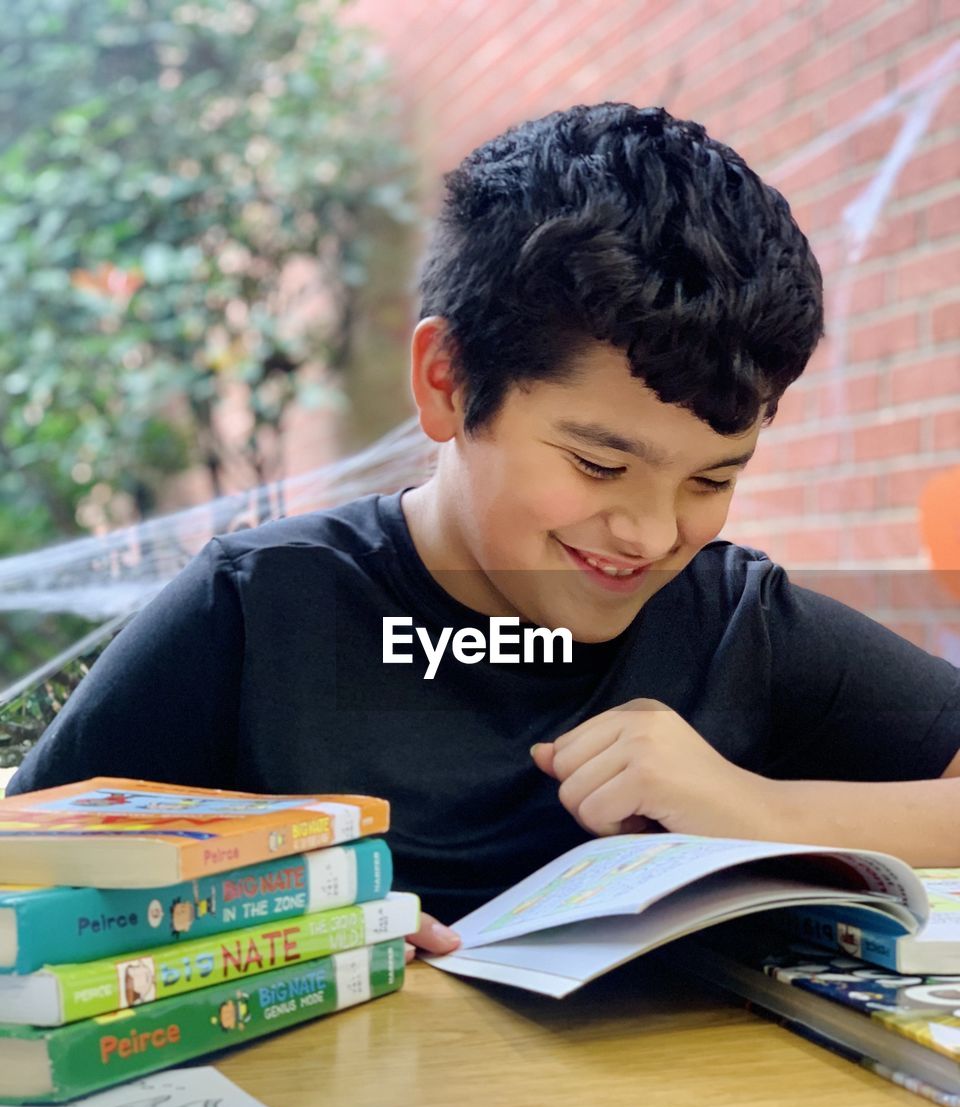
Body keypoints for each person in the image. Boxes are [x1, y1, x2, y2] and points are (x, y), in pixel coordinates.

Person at [9, 104, 960, 965]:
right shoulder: (262, 611)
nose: (651, 533)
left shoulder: (735, 623)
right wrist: (269, 923)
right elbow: (25, 875)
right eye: (598, 465)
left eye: (714, 479)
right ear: (448, 381)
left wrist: (758, 812)